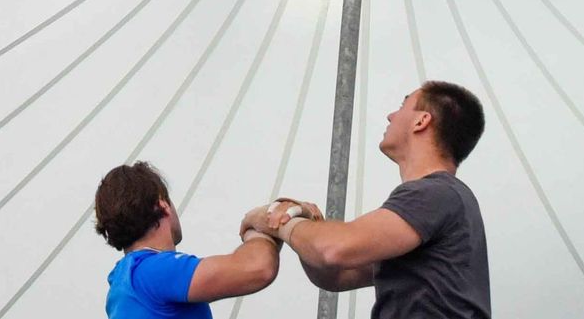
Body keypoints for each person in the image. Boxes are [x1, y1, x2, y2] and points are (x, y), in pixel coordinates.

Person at [246, 81, 490, 318]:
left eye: (403, 105)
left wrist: (275, 218)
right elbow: (336, 276)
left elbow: (332, 250)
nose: (390, 116)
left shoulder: (434, 194)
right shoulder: (445, 200)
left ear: (421, 121)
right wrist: (307, 223)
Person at [93, 161, 284, 317]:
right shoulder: (154, 271)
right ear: (163, 205)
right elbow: (258, 268)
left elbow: (236, 277)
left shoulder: (123, 279)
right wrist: (256, 225)